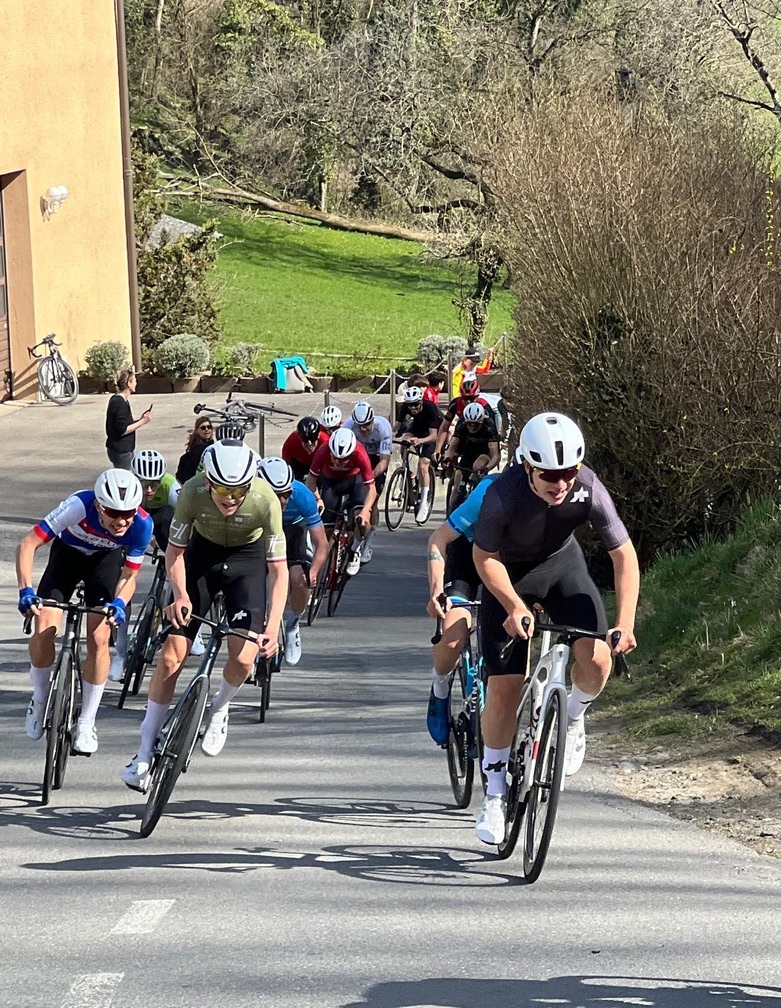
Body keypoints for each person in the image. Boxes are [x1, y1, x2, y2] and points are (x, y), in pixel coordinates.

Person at [471, 412, 639, 845]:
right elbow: (484, 557)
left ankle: (573, 717)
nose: (561, 483)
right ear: (527, 466)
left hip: (563, 567)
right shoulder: (501, 494)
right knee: (505, 686)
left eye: (569, 471)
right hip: (509, 576)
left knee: (598, 660)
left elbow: (623, 554)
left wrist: (625, 621)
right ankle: (494, 793)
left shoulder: (589, 487)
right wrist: (512, 605)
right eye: (549, 474)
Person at [122, 440, 288, 792]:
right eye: (224, 490)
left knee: (244, 658)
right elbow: (174, 552)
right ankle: (144, 751)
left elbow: (278, 571)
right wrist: (180, 595)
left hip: (247, 562)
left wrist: (272, 628)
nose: (231, 498)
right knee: (170, 658)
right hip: (202, 557)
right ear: (208, 481)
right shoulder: (192, 492)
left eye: (239, 490)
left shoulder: (265, 500)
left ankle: (219, 708)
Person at [16, 469, 153, 754]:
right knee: (45, 628)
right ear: (99, 506)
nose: (121, 520)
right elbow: (28, 544)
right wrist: (25, 590)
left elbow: (129, 575)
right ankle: (40, 696)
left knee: (100, 638)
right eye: (114, 512)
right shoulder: (78, 506)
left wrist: (119, 603)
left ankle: (87, 721)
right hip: (67, 556)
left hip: (105, 563)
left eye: (128, 512)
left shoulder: (142, 524)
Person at [424, 469, 502, 744]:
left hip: (505, 565)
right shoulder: (487, 493)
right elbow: (438, 539)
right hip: (466, 556)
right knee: (453, 636)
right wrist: (436, 591)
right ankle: (440, 687)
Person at [107, 449, 181, 683]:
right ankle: (120, 653)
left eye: (154, 484)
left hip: (160, 521)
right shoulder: (125, 485)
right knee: (120, 587)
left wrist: (175, 549)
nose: (149, 490)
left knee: (169, 516)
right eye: (144, 484)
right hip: (132, 521)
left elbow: (187, 519)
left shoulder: (171, 486)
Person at [257, 456, 329, 664]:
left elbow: (322, 543)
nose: (283, 500)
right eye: (276, 495)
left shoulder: (302, 495)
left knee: (300, 579)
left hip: (293, 530)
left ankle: (292, 625)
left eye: (286, 494)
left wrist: (313, 572)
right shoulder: (252, 495)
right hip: (263, 528)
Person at [305, 428, 377, 577]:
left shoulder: (360, 453)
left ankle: (355, 550)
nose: (338, 462)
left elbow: (372, 490)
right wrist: (318, 499)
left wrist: (365, 511)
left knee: (362, 521)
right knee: (326, 529)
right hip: (331, 481)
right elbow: (311, 481)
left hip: (354, 480)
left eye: (344, 459)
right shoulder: (323, 451)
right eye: (335, 458)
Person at [344, 401, 392, 563]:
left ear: (372, 420)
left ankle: (368, 543)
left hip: (376, 459)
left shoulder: (382, 428)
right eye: (360, 426)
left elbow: (384, 462)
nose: (363, 429)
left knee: (373, 501)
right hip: (358, 457)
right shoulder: (348, 426)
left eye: (366, 425)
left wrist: (369, 477)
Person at [442, 402, 501, 511]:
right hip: (468, 451)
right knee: (456, 488)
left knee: (477, 466)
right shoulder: (461, 424)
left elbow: (496, 456)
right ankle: (451, 513)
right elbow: (452, 446)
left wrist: (486, 468)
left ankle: (477, 496)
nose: (472, 426)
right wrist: (447, 458)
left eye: (476, 424)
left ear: (482, 421)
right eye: (470, 424)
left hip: (484, 453)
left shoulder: (489, 427)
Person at [393, 385, 439, 522]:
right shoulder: (406, 407)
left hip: (430, 433)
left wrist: (420, 441)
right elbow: (396, 426)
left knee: (423, 464)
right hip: (417, 427)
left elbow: (434, 436)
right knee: (405, 441)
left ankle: (424, 502)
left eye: (415, 404)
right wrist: (389, 437)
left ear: (421, 401)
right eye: (410, 405)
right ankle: (407, 472)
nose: (413, 408)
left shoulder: (430, 408)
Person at [434, 375, 492, 461]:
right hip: (462, 433)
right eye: (465, 398)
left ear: (477, 396)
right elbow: (444, 427)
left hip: (480, 437)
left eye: (471, 398)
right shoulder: (455, 404)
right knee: (450, 457)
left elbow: (491, 431)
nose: (468, 402)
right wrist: (437, 449)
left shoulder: (484, 406)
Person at [105, 369, 152, 470]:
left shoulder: (119, 400)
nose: (136, 383)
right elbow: (122, 430)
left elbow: (124, 424)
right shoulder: (119, 403)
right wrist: (143, 421)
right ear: (128, 383)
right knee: (125, 476)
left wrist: (141, 419)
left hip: (121, 449)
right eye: (134, 381)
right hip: (121, 450)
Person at [282, 416, 329, 481]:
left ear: (318, 435)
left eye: (313, 438)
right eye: (305, 439)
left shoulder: (326, 442)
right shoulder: (291, 442)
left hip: (320, 466)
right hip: (299, 465)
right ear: (299, 437)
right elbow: (285, 465)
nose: (309, 443)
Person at [175, 416, 215, 483]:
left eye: (209, 427)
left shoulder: (210, 443)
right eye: (203, 428)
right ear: (197, 430)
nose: (207, 429)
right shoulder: (197, 449)